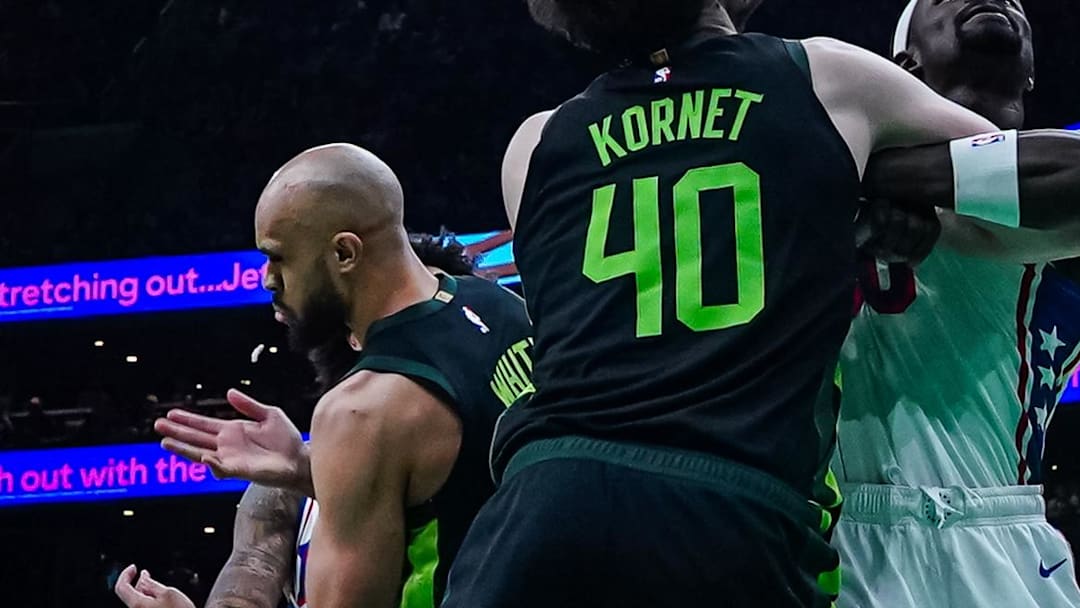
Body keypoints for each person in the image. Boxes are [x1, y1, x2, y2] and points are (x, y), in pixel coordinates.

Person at [441, 1, 1080, 607]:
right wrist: (842, 177)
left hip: (542, 500)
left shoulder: (533, 143)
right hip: (727, 499)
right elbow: (1030, 175)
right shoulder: (823, 78)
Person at [150, 145, 534, 608]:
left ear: (344, 253)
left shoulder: (361, 412)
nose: (268, 279)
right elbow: (472, 487)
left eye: (278, 258)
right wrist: (307, 467)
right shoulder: (504, 309)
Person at [832, 2, 1080, 607]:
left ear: (1031, 75)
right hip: (842, 530)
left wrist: (871, 180)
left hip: (1001, 532)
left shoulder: (1055, 173)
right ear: (903, 65)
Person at [114, 233, 483, 608]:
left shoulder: (497, 454)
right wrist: (308, 474)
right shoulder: (283, 489)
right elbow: (243, 590)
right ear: (357, 333)